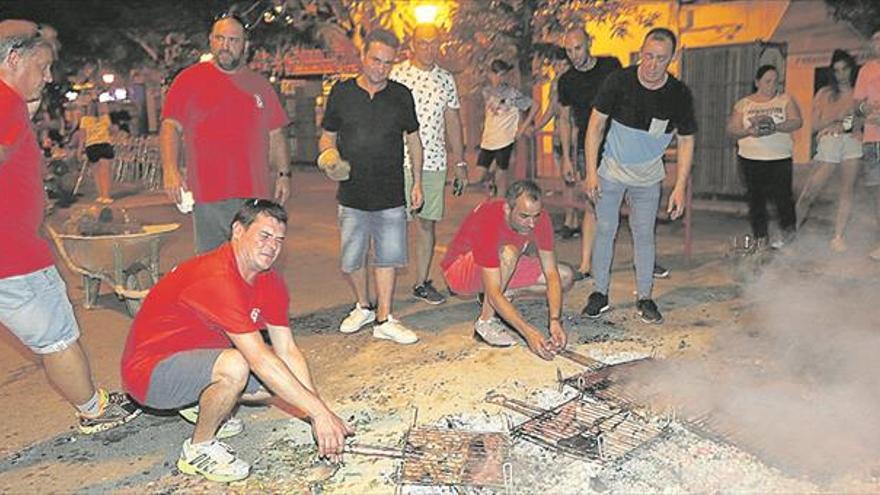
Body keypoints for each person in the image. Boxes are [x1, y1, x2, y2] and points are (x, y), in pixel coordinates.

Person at [121, 200, 352, 483]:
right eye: (264, 236)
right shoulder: (218, 276)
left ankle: (199, 399)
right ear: (238, 231)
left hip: (191, 356)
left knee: (280, 376)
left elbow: (288, 351)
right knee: (238, 365)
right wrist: (319, 415)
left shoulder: (270, 281)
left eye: (279, 240)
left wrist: (319, 412)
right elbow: (257, 359)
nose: (272, 246)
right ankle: (198, 449)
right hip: (148, 374)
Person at [0, 19, 140, 435]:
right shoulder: (4, 101)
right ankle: (93, 411)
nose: (48, 77)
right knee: (57, 338)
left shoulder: (13, 102)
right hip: (14, 257)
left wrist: (42, 39)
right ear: (12, 59)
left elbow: (27, 109)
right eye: (42, 67)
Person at [582, 28, 697, 325]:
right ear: (640, 52)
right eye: (647, 56)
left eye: (660, 59)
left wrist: (679, 186)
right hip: (611, 171)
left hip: (648, 177)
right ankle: (599, 293)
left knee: (644, 235)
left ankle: (645, 297)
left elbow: (686, 140)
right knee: (605, 230)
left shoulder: (679, 95)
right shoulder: (618, 81)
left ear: (672, 58)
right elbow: (595, 126)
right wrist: (591, 173)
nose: (652, 65)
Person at [318, 29, 424, 344]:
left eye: (387, 63)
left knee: (388, 256)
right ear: (363, 56)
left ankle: (384, 318)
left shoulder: (401, 95)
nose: (380, 68)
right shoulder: (341, 92)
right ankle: (363, 306)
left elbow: (414, 141)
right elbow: (327, 135)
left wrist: (417, 182)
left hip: (390, 191)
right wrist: (329, 155)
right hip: (351, 193)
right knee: (353, 257)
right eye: (375, 60)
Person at [160, 13, 291, 254]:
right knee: (211, 266)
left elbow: (275, 132)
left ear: (245, 45)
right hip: (208, 193)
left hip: (253, 195)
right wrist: (170, 169)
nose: (225, 46)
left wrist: (284, 174)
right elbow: (170, 126)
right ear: (211, 41)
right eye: (220, 38)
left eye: (233, 40)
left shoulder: (259, 86)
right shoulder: (188, 80)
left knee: (252, 263)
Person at [441, 180, 574, 360]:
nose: (532, 223)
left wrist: (555, 321)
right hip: (460, 271)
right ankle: (485, 322)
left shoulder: (540, 219)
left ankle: (501, 296)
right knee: (509, 253)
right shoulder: (488, 218)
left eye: (536, 216)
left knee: (565, 276)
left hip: (499, 266)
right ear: (507, 209)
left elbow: (552, 274)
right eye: (524, 216)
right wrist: (528, 333)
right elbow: (495, 292)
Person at [390, 24, 467, 305]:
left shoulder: (446, 79)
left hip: (433, 163)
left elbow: (453, 123)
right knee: (390, 223)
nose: (429, 49)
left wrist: (459, 162)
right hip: (397, 161)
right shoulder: (396, 74)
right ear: (412, 45)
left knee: (426, 224)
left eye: (434, 44)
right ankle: (381, 290)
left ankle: (421, 282)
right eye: (423, 43)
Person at [556, 27, 622, 280]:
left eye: (578, 48)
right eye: (569, 50)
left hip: (619, 143)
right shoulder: (567, 81)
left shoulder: (611, 66)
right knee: (592, 203)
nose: (574, 55)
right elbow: (564, 119)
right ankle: (585, 264)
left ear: (589, 43)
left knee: (635, 204)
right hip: (589, 148)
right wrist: (566, 159)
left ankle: (647, 260)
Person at [727, 65, 803, 249]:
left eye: (775, 81)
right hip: (751, 159)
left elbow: (797, 121)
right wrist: (748, 131)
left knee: (783, 199)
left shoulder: (785, 99)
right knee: (756, 201)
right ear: (757, 82)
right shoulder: (744, 104)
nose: (772, 85)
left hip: (779, 158)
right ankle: (761, 240)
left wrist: (775, 126)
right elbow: (732, 129)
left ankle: (789, 238)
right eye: (767, 81)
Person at [795, 49, 862, 252]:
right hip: (828, 142)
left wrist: (842, 124)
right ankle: (791, 230)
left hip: (851, 141)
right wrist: (837, 120)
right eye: (837, 70)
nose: (841, 74)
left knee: (846, 190)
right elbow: (815, 125)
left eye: (845, 69)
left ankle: (838, 236)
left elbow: (855, 121)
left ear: (851, 69)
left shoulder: (858, 92)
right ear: (832, 72)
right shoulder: (824, 93)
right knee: (811, 188)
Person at [475, 59, 536, 198]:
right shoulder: (487, 91)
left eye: (503, 75)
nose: (500, 78)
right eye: (497, 74)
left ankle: (499, 210)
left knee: (501, 179)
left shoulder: (512, 93)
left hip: (505, 140)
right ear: (490, 75)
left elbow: (534, 106)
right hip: (488, 140)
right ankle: (490, 181)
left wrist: (522, 128)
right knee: (479, 175)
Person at [854, 28, 880, 261]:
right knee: (876, 194)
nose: (879, 43)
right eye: (876, 39)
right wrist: (866, 109)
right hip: (873, 140)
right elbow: (857, 106)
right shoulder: (866, 70)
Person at [77, 100, 115, 204]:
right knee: (106, 172)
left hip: (92, 146)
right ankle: (106, 195)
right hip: (104, 144)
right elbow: (111, 130)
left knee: (96, 173)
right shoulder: (105, 118)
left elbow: (82, 136)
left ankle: (101, 195)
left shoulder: (85, 120)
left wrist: (80, 150)